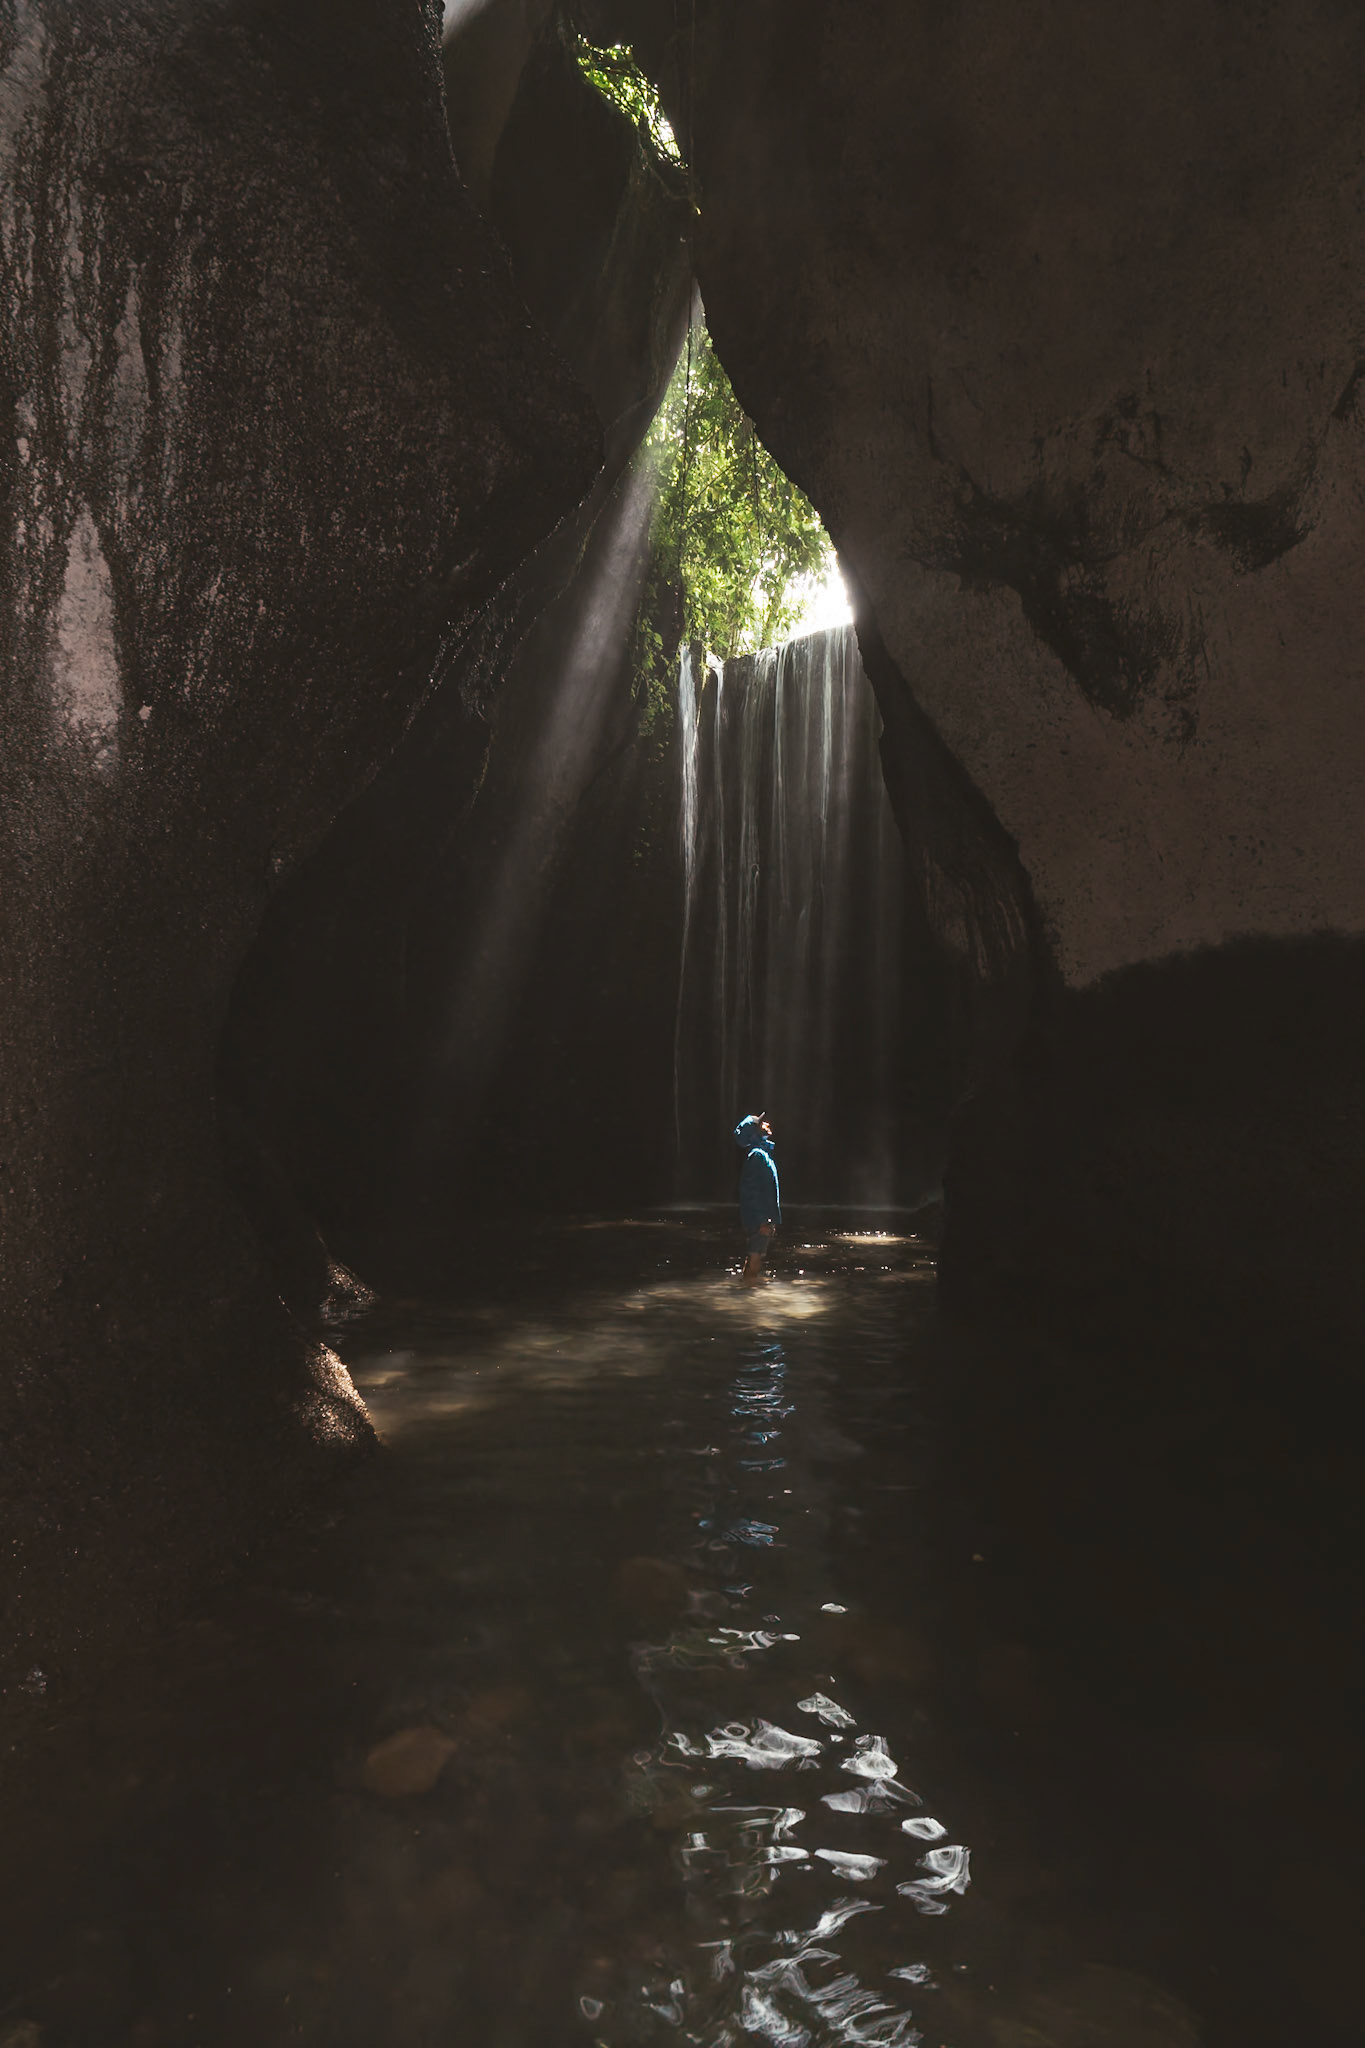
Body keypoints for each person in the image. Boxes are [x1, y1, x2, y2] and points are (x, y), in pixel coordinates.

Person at [734, 1112, 781, 1282]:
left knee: (756, 1256)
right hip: (758, 1219)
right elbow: (751, 1191)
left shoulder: (760, 1154)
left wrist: (770, 1219)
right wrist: (763, 1220)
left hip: (759, 1218)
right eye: (761, 1124)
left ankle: (748, 1289)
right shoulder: (757, 1156)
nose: (767, 1124)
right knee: (755, 1258)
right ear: (754, 1133)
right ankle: (749, 1293)